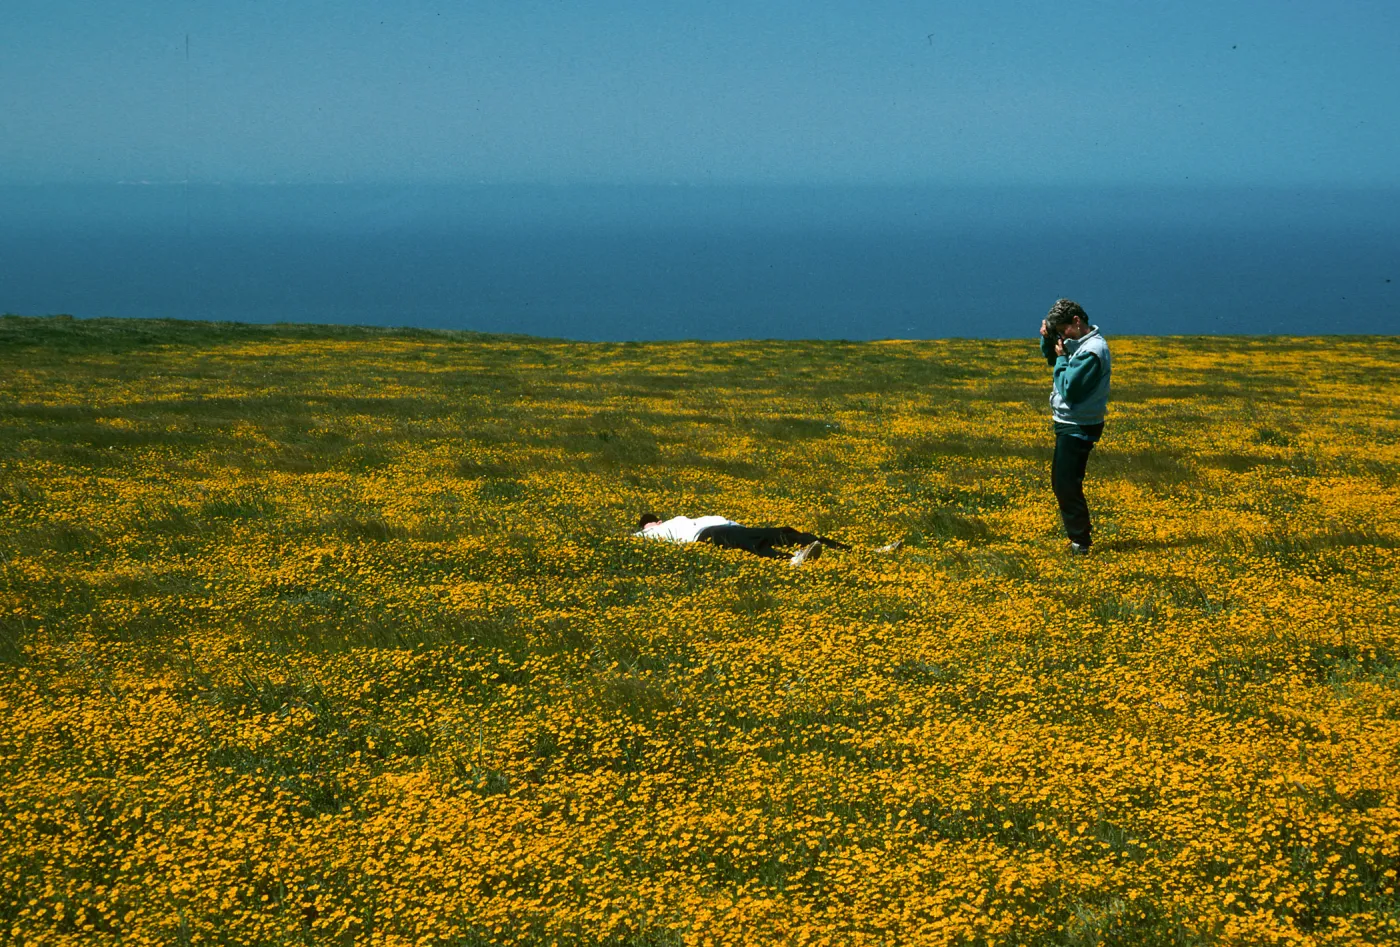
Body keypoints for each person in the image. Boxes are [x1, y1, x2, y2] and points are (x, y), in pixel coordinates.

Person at [1039, 298, 1112, 555]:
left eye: (1062, 330)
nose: (1061, 335)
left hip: (1079, 425)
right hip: (1069, 423)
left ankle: (1080, 542)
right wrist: (1049, 341)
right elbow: (1052, 360)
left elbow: (1070, 388)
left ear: (1077, 321)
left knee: (1066, 483)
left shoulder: (1092, 351)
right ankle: (1079, 539)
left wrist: (1061, 360)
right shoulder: (1080, 345)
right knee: (1063, 482)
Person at [633, 513, 893, 566]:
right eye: (651, 522)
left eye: (655, 519)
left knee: (788, 532)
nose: (655, 522)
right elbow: (630, 540)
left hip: (724, 526)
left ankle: (862, 551)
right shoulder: (647, 535)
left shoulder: (676, 519)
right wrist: (645, 529)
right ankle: (791, 561)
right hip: (706, 535)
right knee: (748, 542)